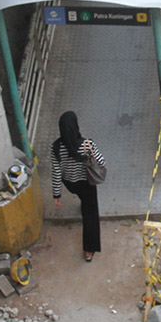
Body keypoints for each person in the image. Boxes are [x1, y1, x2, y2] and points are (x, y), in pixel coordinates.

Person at [50, 111, 107, 262]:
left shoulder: (56, 148)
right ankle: (89, 250)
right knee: (90, 216)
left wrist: (57, 194)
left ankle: (82, 202)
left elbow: (56, 172)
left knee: (82, 198)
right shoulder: (87, 145)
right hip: (86, 183)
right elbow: (102, 163)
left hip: (70, 183)